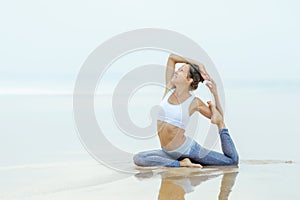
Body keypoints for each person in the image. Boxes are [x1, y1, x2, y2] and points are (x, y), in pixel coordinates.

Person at [133, 53, 239, 168]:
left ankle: (182, 162)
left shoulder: (194, 102)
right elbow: (172, 58)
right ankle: (181, 163)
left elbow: (218, 118)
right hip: (167, 153)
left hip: (188, 150)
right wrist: (198, 63)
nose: (176, 72)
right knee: (139, 158)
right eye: (178, 69)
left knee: (231, 161)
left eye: (181, 71)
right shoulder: (169, 90)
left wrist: (215, 94)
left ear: (189, 80)